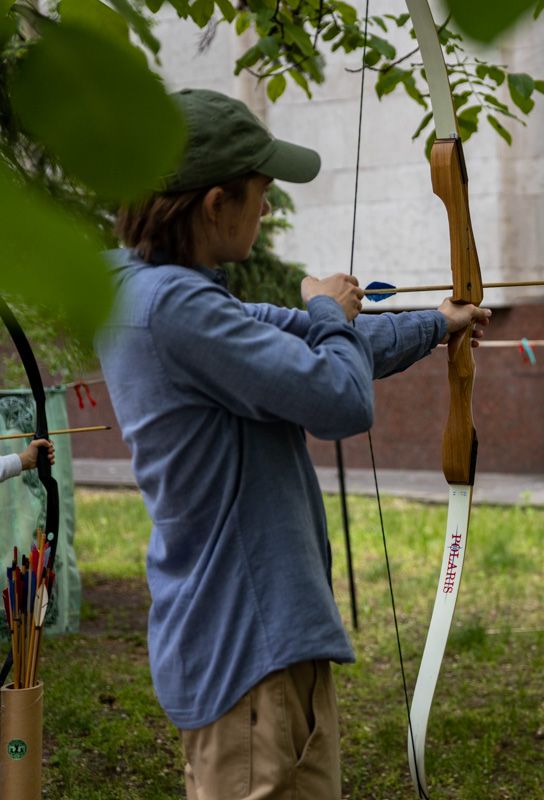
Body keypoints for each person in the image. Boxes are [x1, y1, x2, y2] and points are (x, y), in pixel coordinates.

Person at [95, 88, 490, 800]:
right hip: (250, 653)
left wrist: (438, 323)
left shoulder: (156, 292)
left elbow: (312, 343)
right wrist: (328, 311)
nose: (268, 206)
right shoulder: (177, 309)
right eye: (260, 192)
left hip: (253, 644)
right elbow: (338, 397)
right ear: (215, 204)